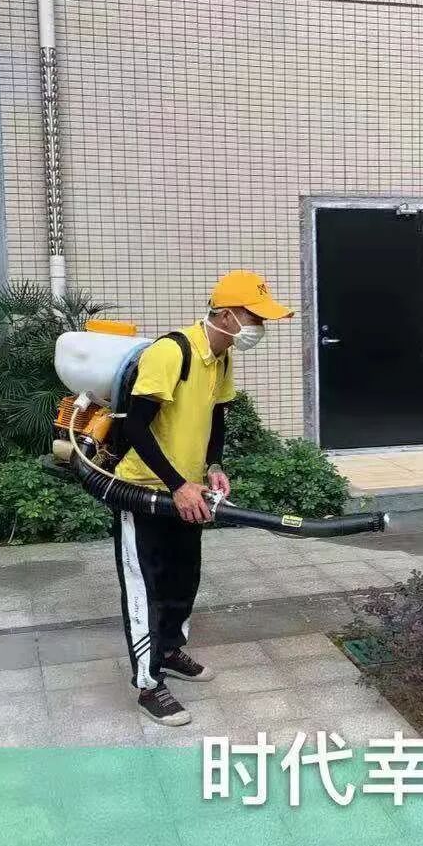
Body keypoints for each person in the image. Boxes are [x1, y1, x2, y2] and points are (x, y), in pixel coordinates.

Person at [112, 270, 294, 725]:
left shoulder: (222, 356)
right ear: (227, 315)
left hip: (189, 489)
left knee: (183, 576)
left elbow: (216, 418)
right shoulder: (171, 353)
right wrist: (177, 484)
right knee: (147, 587)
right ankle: (148, 685)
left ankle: (170, 651)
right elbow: (135, 428)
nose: (260, 328)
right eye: (255, 318)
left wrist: (212, 466)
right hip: (145, 490)